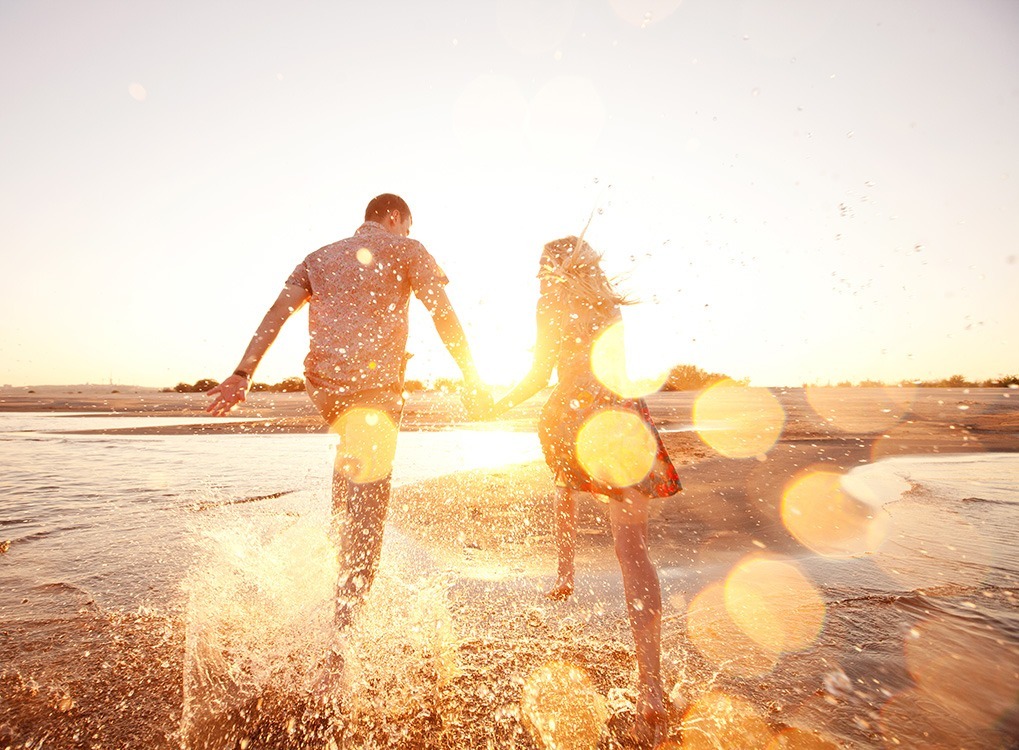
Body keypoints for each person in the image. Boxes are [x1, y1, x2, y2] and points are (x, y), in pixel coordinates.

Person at [206, 193, 491, 675]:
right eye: (404, 225)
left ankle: (330, 578)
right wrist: (472, 375)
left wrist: (242, 373)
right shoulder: (408, 248)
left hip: (326, 389)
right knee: (369, 518)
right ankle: (339, 655)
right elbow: (442, 312)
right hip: (375, 390)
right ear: (396, 218)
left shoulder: (319, 256)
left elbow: (277, 314)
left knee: (350, 473)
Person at [485, 235, 680, 747]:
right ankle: (651, 687)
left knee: (565, 480)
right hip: (619, 416)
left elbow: (537, 373)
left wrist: (498, 403)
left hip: (570, 414)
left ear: (550, 267)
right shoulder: (609, 304)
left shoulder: (548, 301)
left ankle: (565, 570)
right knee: (633, 549)